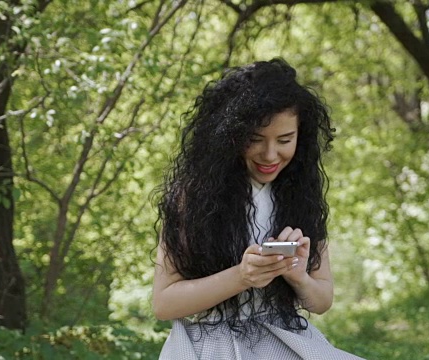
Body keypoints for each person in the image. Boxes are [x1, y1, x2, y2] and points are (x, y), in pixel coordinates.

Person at [153, 58, 363, 360]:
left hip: (285, 341)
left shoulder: (300, 197)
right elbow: (163, 304)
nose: (270, 154)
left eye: (284, 140)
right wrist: (243, 276)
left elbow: (321, 300)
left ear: (300, 138)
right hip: (207, 346)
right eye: (255, 140)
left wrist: (297, 275)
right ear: (230, 137)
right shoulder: (193, 197)